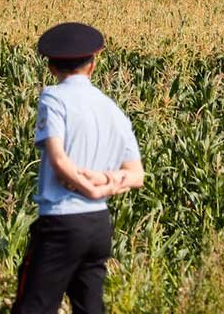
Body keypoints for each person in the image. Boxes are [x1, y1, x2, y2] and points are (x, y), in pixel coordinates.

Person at [13, 22, 144, 314]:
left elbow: (59, 160)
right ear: (92, 65)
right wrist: (107, 182)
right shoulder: (111, 107)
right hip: (98, 224)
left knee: (33, 306)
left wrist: (88, 187)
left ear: (50, 67)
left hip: (61, 222)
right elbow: (137, 174)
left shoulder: (54, 98)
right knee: (90, 308)